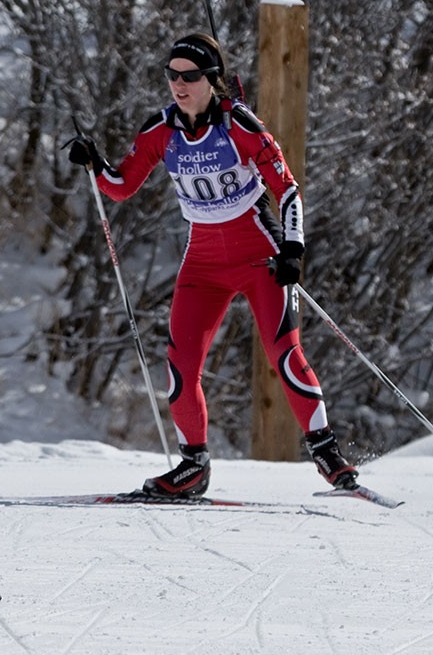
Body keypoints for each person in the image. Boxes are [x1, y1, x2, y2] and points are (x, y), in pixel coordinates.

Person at [66, 32, 359, 498]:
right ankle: (194, 466)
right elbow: (121, 186)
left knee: (284, 353)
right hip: (201, 261)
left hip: (257, 253)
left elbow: (286, 189)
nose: (179, 85)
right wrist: (94, 163)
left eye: (190, 76)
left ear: (211, 79)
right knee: (181, 366)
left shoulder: (239, 125)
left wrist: (293, 249)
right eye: (172, 75)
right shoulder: (159, 131)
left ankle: (327, 456)